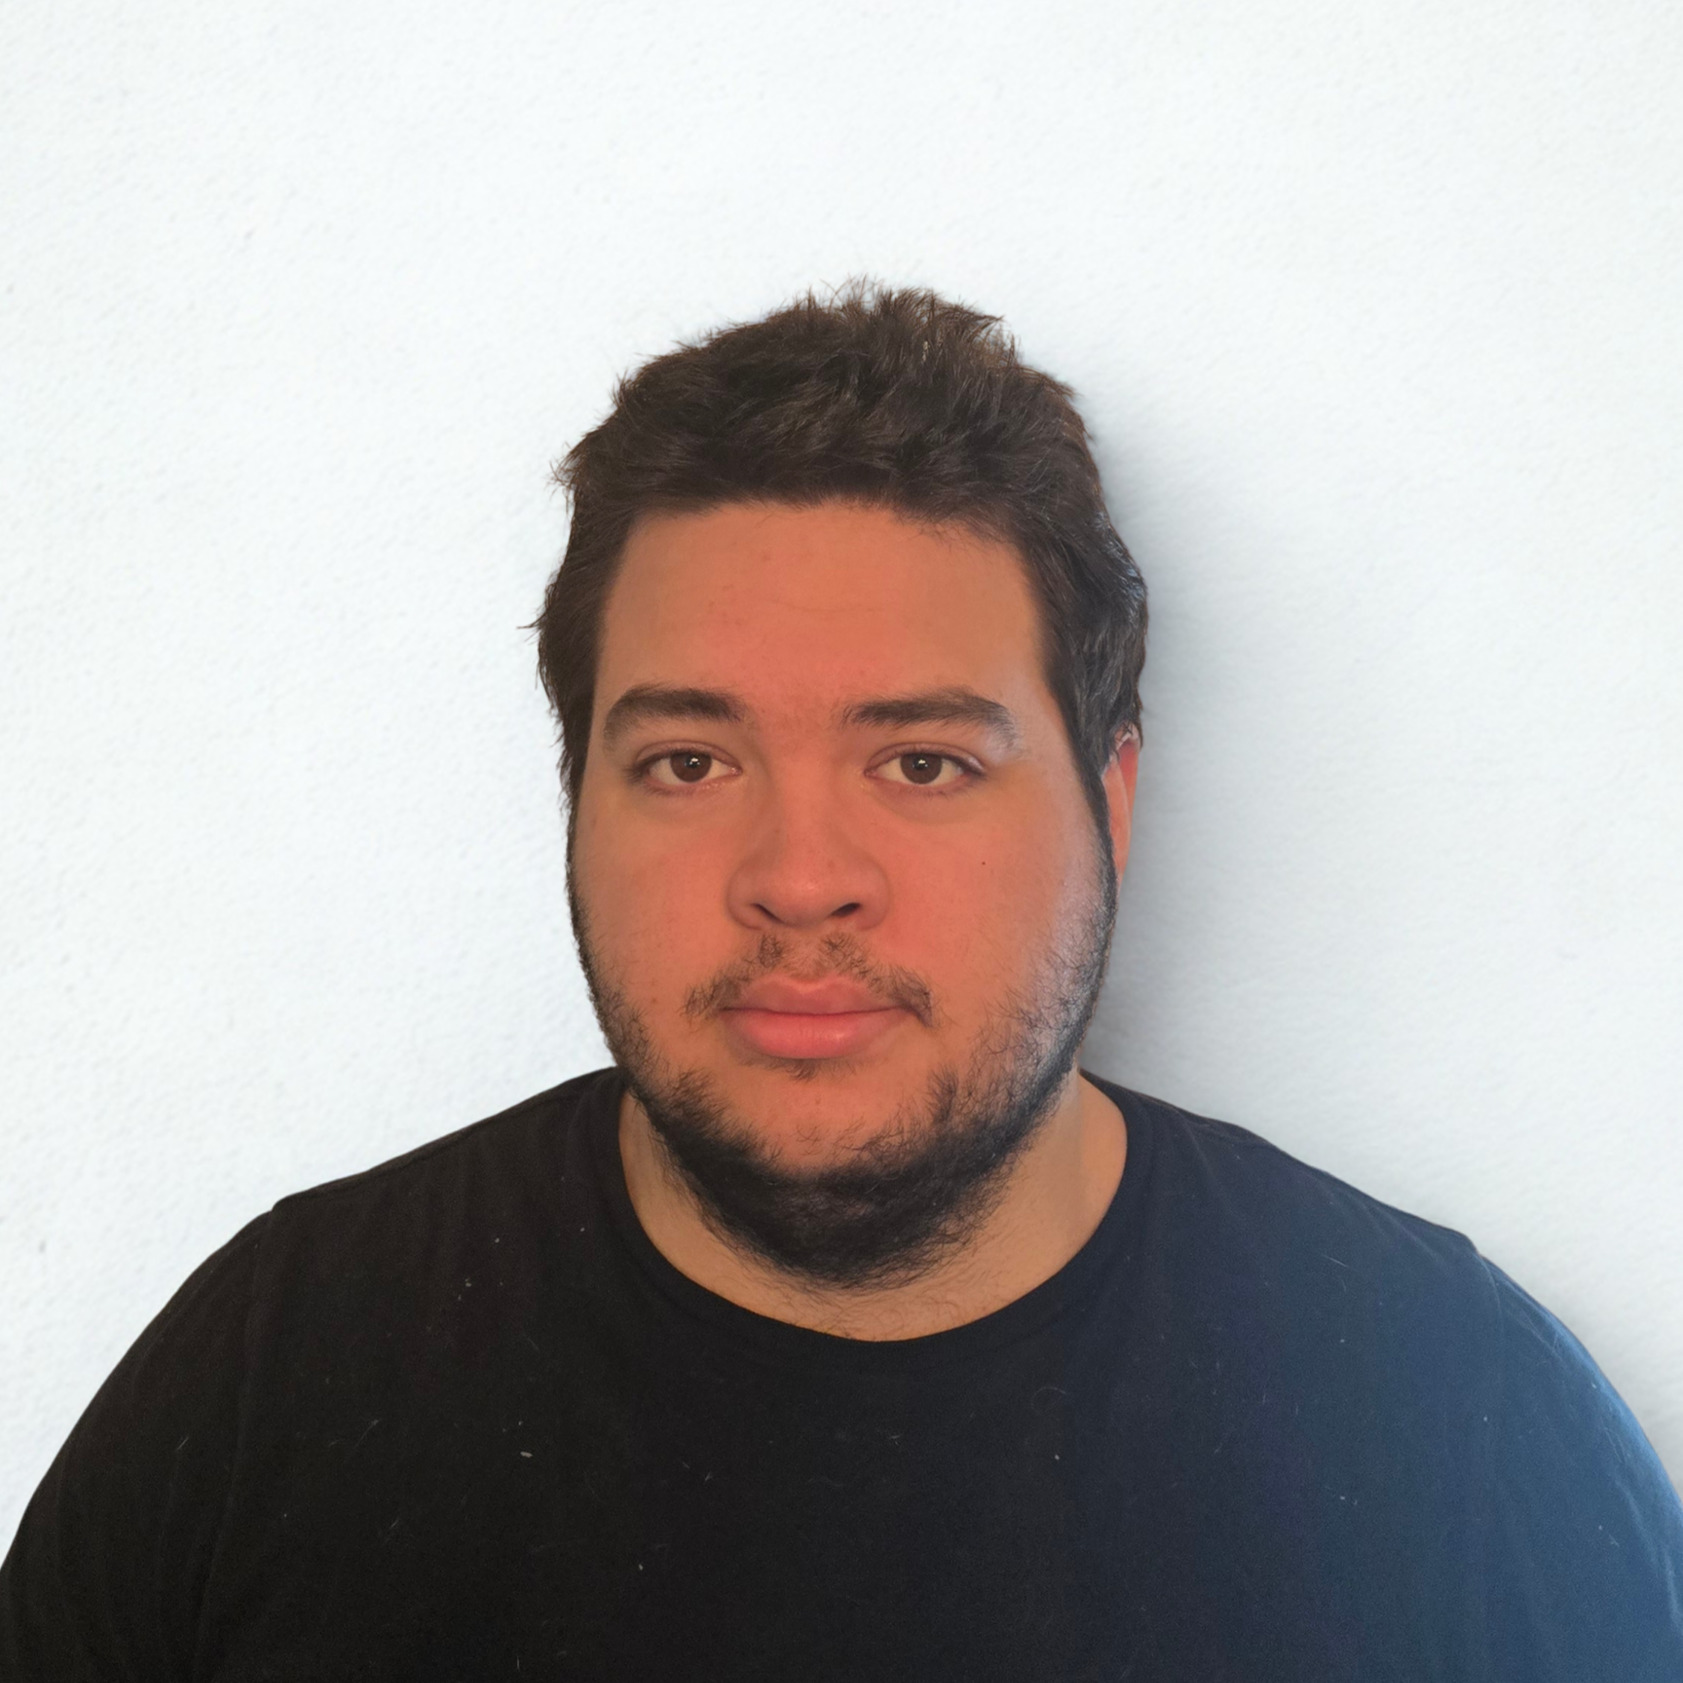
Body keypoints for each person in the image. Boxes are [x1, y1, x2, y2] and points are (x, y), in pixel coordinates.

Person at [4, 285, 1680, 1682]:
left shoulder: (1455, 1418)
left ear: (1109, 796)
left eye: (925, 764)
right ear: (575, 792)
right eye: (684, 762)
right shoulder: (277, 1378)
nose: (798, 877)